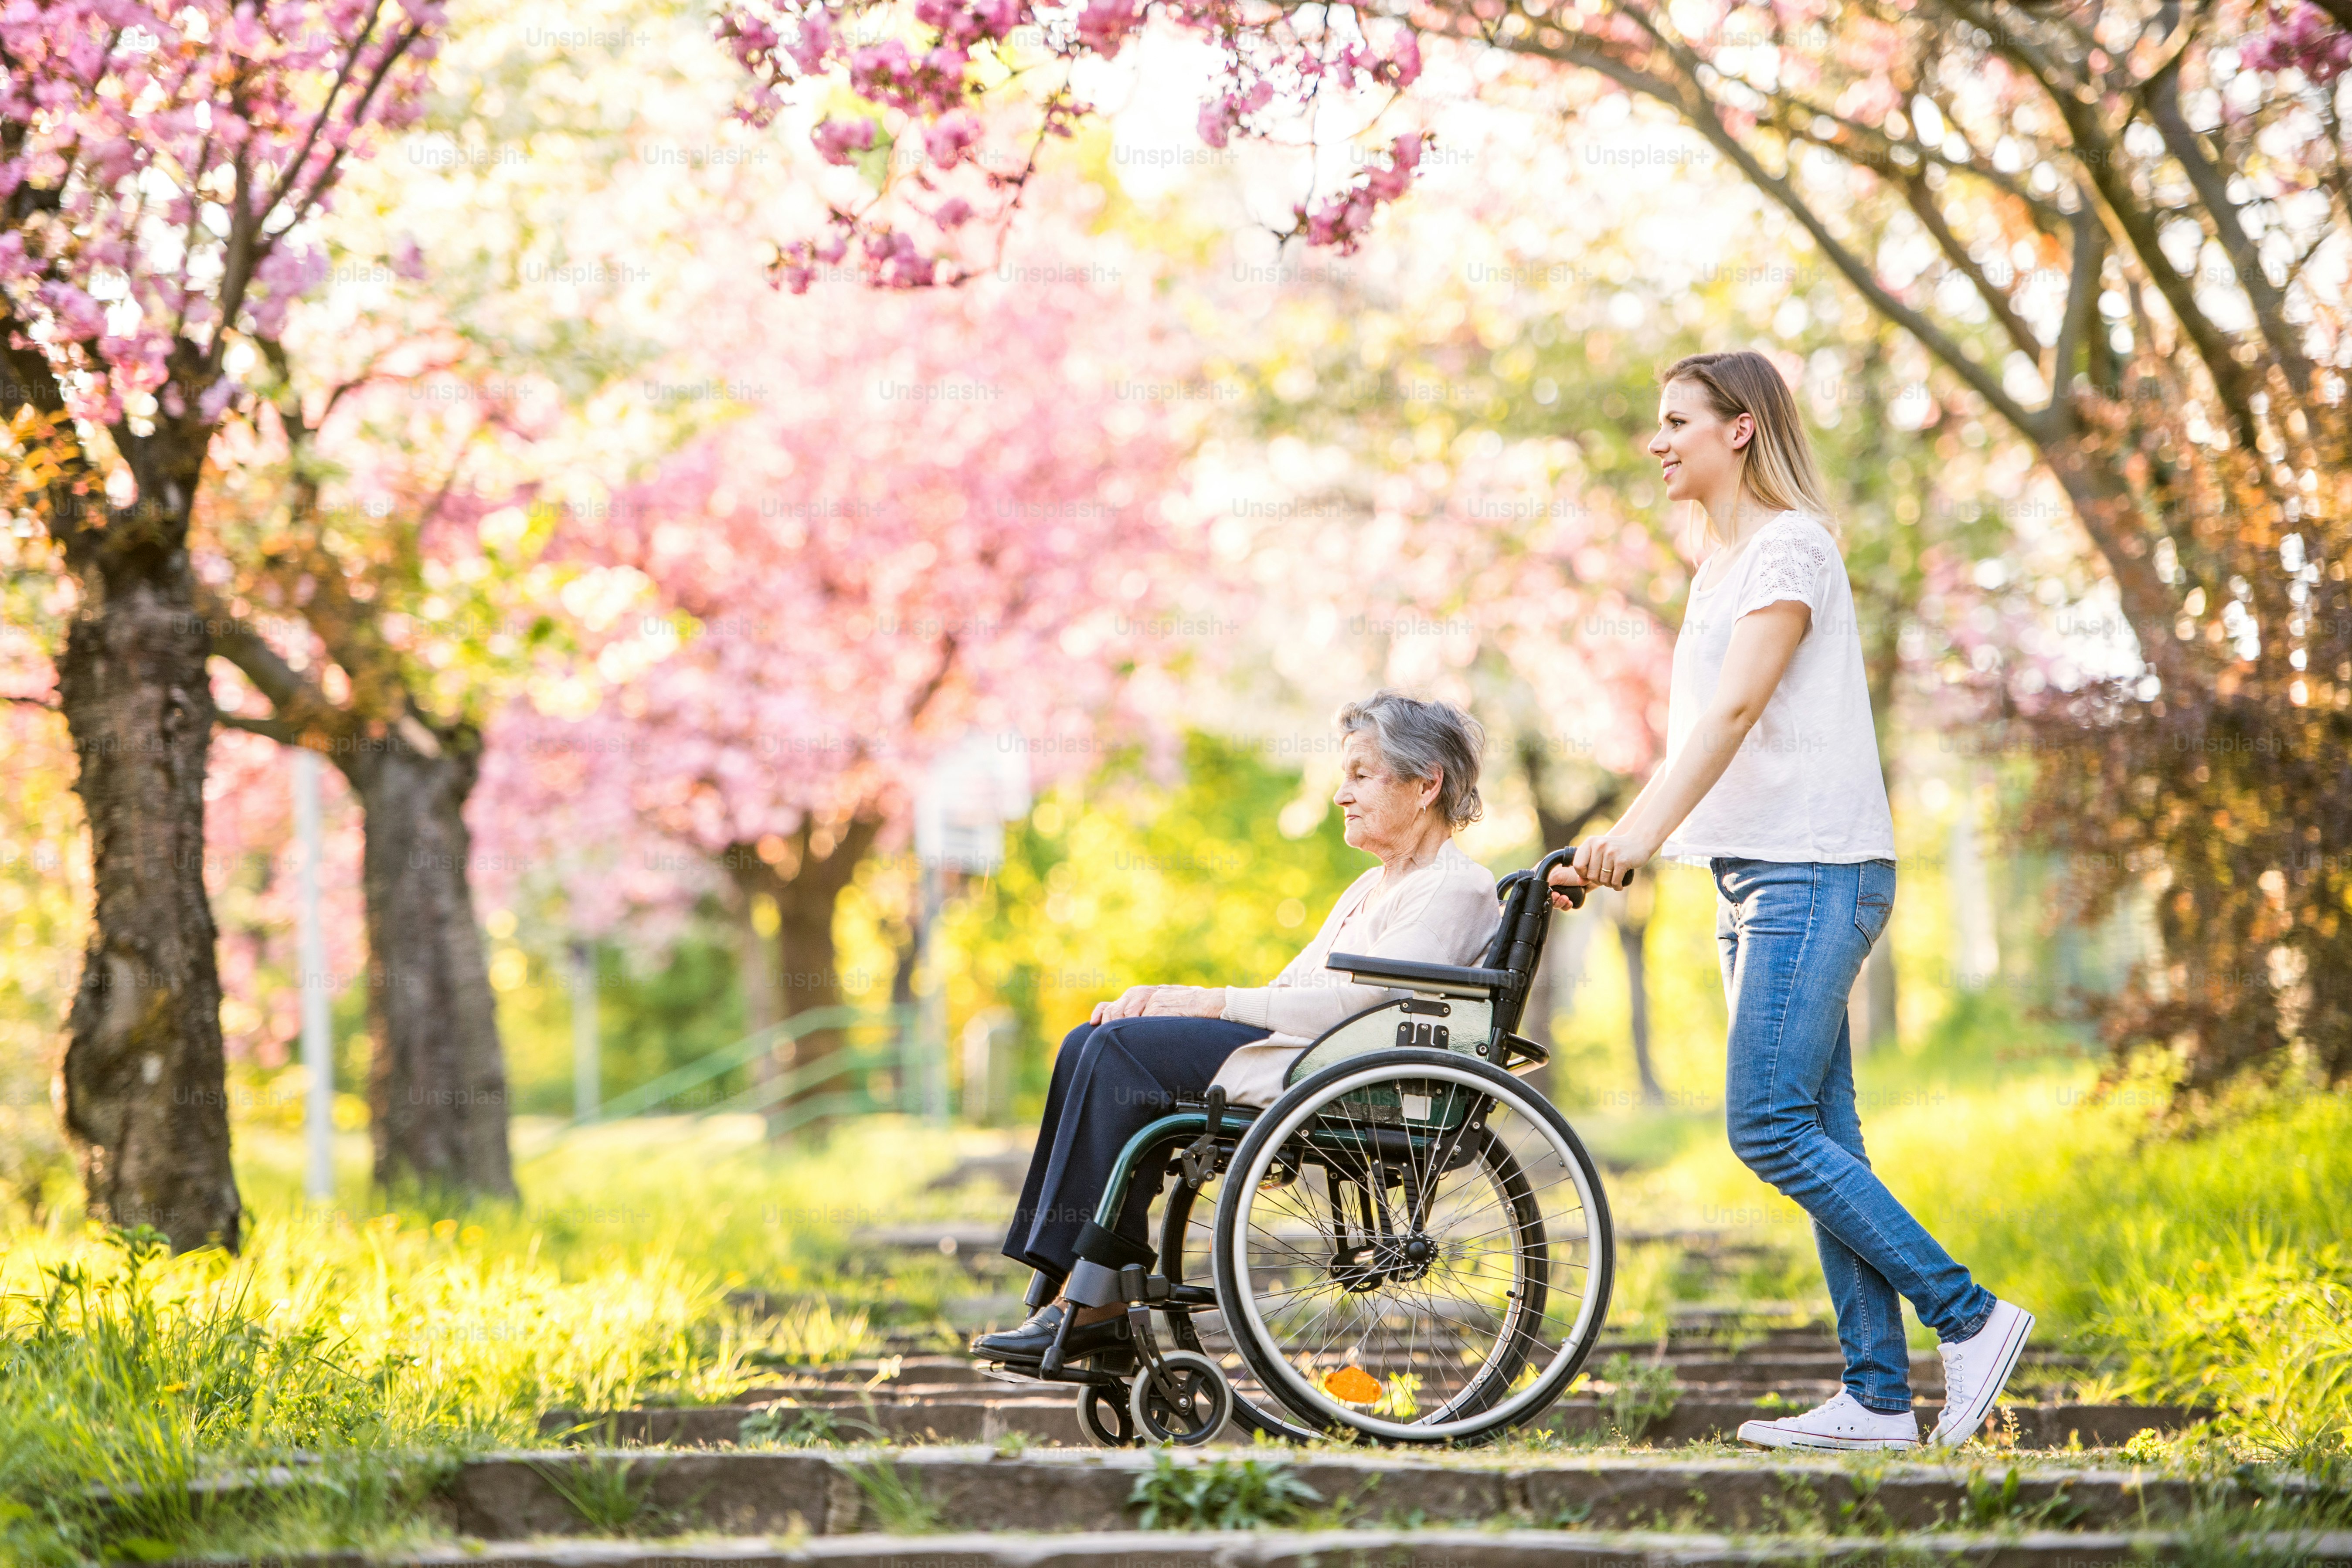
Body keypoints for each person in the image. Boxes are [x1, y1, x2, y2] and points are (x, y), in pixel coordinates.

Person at [1547, 350, 2033, 1452]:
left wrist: (1632, 839)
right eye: (1656, 420)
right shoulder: (1716, 567)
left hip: (1815, 870)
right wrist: (1619, 841)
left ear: (1743, 429)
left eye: (1677, 420)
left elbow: (1730, 716)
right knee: (1822, 1131)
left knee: (1765, 1123)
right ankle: (1874, 1394)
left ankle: (1969, 1314)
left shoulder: (1790, 547)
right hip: (1755, 875)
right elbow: (1699, 734)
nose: (1658, 440)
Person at [972, 691, 1500, 1367]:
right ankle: (1077, 1289)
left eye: (1361, 775)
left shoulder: (1455, 887)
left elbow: (1366, 1010)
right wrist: (1179, 1001)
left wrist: (1210, 1002)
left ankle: (1092, 1296)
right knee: (1088, 1043)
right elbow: (1294, 989)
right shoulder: (1372, 889)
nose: (1342, 795)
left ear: (1427, 783)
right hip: (1303, 1053)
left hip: (1335, 1071)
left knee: (1116, 1054)